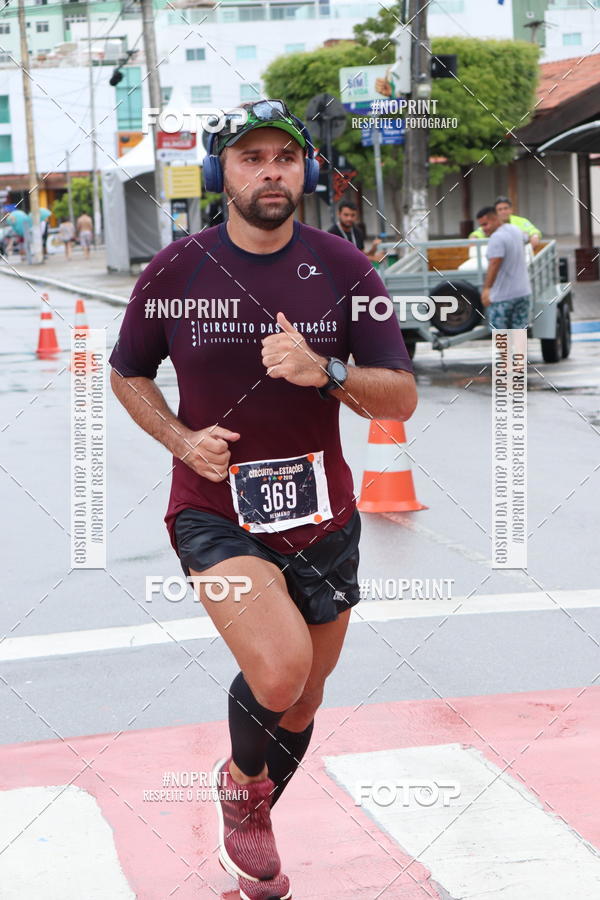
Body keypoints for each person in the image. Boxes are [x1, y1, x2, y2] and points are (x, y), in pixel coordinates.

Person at [109, 98, 417, 899]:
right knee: (279, 675)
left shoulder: (347, 270)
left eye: (285, 157)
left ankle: (252, 814)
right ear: (224, 172)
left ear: (305, 168)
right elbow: (127, 372)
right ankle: (242, 790)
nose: (271, 172)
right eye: (251, 158)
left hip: (324, 518)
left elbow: (401, 396)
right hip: (214, 511)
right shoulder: (176, 270)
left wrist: (328, 371)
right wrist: (181, 439)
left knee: (305, 698)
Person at [477, 205, 532, 329]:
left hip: (503, 297)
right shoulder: (515, 229)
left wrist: (487, 289)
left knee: (501, 338)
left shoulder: (496, 238)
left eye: (485, 224)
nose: (483, 229)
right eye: (481, 226)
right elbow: (527, 237)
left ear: (495, 219)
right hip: (523, 293)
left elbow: (495, 263)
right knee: (518, 336)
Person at [470, 196, 541, 247]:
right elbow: (478, 232)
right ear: (495, 212)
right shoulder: (492, 223)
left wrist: (535, 236)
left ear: (511, 209)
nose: (503, 212)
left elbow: (533, 230)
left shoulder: (521, 221)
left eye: (505, 208)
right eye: (500, 209)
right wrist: (474, 238)